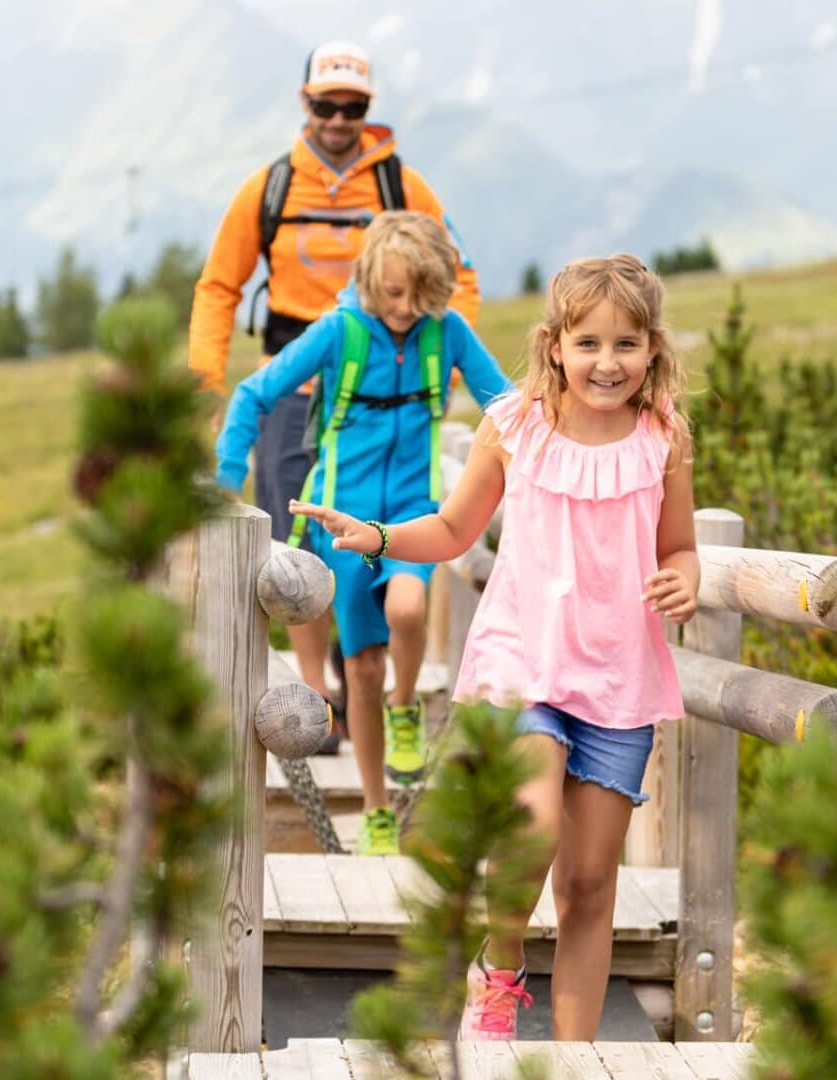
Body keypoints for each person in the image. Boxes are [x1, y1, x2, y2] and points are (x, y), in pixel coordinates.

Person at [289, 254, 698, 1039]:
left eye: (625, 344)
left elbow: (677, 546)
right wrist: (373, 534)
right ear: (554, 345)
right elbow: (450, 530)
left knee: (589, 882)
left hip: (619, 677)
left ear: (652, 350)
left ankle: (576, 1057)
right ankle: (501, 969)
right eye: (588, 343)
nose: (606, 363)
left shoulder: (663, 439)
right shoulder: (515, 426)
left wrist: (685, 576)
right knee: (532, 829)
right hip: (525, 668)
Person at [189, 40, 481, 757]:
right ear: (305, 103)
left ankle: (363, 686)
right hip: (297, 382)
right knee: (300, 544)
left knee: (384, 531)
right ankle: (315, 699)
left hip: (388, 390)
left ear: (367, 110)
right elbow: (219, 286)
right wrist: (206, 379)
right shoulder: (269, 189)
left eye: (353, 107)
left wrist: (439, 371)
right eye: (326, 105)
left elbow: (460, 274)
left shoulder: (404, 190)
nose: (339, 119)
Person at [216, 212, 509, 855]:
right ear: (371, 280)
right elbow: (252, 395)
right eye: (393, 294)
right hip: (339, 519)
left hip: (411, 510)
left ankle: (409, 705)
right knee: (364, 670)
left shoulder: (447, 333)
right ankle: (377, 808)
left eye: (420, 297)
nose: (405, 310)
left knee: (408, 607)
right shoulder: (340, 332)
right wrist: (225, 479)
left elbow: (508, 409)